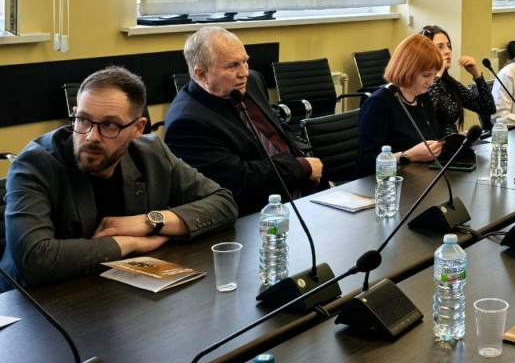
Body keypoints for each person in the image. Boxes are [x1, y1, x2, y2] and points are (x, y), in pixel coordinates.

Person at [1, 66, 237, 289]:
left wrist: (149, 221)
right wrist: (129, 243)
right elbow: (35, 260)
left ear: (138, 128)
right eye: (83, 119)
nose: (91, 136)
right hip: (34, 301)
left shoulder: (152, 153)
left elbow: (223, 203)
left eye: (110, 125)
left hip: (115, 291)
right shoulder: (34, 164)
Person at [164, 27, 325, 216]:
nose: (244, 72)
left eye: (245, 61)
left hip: (300, 192)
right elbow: (237, 182)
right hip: (253, 214)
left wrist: (304, 161)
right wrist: (300, 167)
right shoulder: (186, 123)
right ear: (202, 74)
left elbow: (277, 129)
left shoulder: (251, 82)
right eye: (232, 66)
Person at [357, 34, 446, 177]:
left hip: (422, 176)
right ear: (408, 69)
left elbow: (435, 137)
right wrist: (407, 156)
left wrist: (455, 142)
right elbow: (366, 162)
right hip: (391, 182)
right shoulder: (379, 103)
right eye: (426, 75)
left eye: (434, 75)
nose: (431, 83)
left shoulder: (422, 96)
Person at [420, 24, 496, 137]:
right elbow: (427, 111)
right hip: (431, 146)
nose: (448, 51)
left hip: (453, 144)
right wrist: (438, 73)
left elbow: (488, 108)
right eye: (440, 47)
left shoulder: (449, 83)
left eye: (449, 46)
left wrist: (477, 75)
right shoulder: (418, 84)